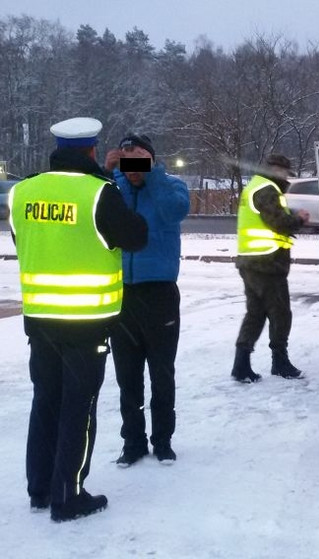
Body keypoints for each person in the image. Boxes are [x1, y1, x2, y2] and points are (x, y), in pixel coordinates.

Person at [8, 117, 148, 522]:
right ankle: (68, 495)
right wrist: (114, 178)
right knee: (79, 407)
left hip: (40, 320)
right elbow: (136, 236)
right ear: (91, 150)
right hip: (87, 322)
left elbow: (24, 239)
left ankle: (40, 488)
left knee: (46, 400)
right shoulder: (99, 192)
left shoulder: (23, 191)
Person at [104, 134, 190, 467]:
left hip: (159, 294)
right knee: (127, 375)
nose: (133, 169)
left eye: (138, 161)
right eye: (127, 162)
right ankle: (133, 442)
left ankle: (163, 440)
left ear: (151, 160)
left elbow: (174, 211)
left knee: (161, 372)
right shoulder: (115, 188)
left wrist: (152, 174)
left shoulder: (171, 186)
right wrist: (108, 172)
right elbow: (107, 217)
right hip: (123, 294)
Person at [232, 154, 310, 382]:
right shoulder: (267, 189)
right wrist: (300, 219)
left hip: (252, 262)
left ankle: (241, 364)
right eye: (285, 172)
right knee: (280, 313)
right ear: (275, 169)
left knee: (255, 314)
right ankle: (280, 361)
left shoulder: (256, 186)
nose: (287, 176)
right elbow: (278, 222)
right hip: (266, 263)